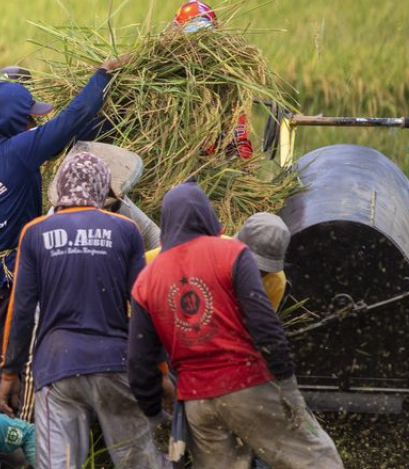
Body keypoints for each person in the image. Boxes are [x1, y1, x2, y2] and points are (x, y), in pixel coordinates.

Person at [0, 56, 126, 411]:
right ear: (18, 122)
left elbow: (58, 138)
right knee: (0, 399)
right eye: (32, 116)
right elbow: (71, 118)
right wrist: (102, 76)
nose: (37, 120)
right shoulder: (18, 153)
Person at [128, 182, 344, 469]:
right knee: (318, 458)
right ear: (208, 215)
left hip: (196, 403)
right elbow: (265, 327)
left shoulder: (146, 277)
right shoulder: (232, 253)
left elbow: (139, 358)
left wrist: (154, 414)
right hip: (245, 384)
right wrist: (288, 387)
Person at [0, 152, 162, 469]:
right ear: (102, 189)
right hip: (115, 363)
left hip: (57, 369)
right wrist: (160, 370)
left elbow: (21, 311)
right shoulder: (126, 230)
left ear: (60, 187)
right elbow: (145, 307)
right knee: (138, 461)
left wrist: (9, 372)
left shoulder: (35, 232)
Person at [172, 0, 253, 160]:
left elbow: (241, 145)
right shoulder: (167, 70)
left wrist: (238, 158)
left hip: (208, 161)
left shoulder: (227, 81)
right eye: (191, 36)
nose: (196, 46)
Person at [235, 212, 290, 310]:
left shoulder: (275, 281)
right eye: (249, 263)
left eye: (263, 270)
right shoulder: (214, 251)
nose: (254, 274)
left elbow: (261, 317)